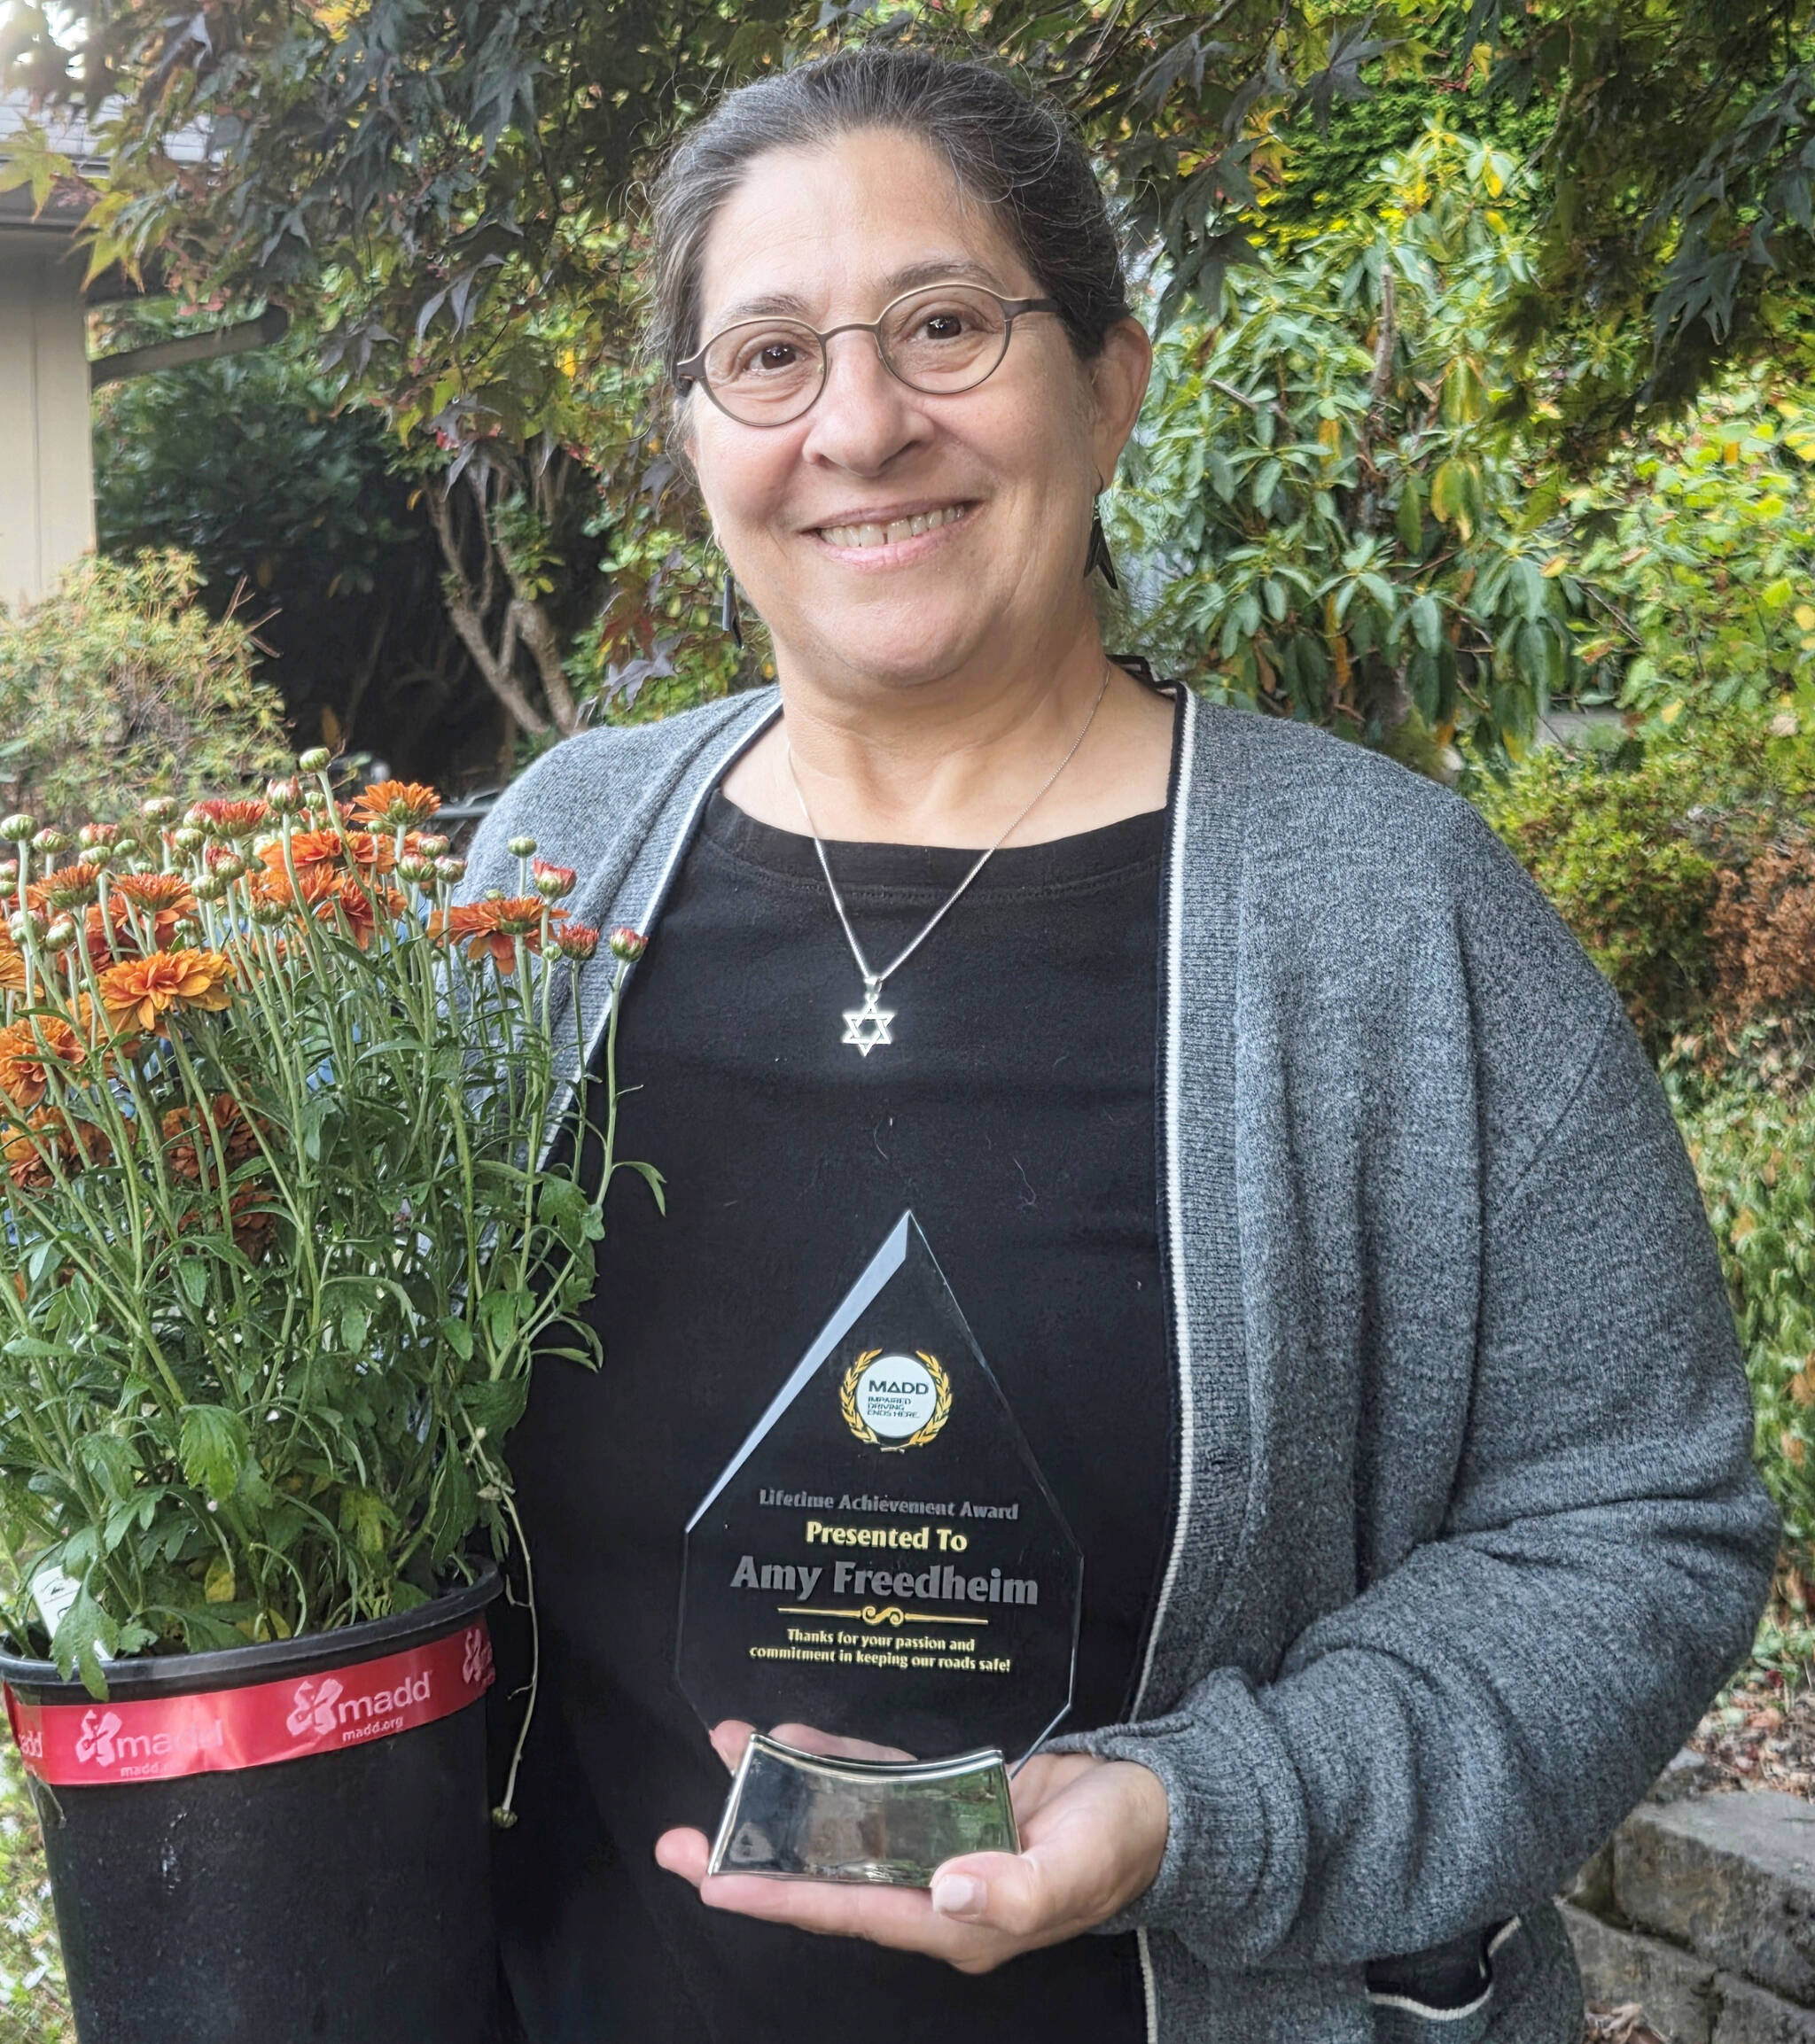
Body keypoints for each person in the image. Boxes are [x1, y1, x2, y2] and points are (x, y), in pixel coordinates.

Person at [469, 44, 1778, 2044]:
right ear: (695, 431)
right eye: (768, 356)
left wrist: (1197, 1806)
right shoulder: (553, 868)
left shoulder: (1385, 913)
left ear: (1109, 376)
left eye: (943, 325)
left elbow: (1634, 1516)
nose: (863, 423)